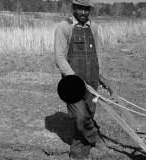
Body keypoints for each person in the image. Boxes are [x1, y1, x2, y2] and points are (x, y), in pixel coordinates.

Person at [54, 0, 113, 159]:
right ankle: (95, 136)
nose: (82, 12)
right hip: (73, 81)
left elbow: (97, 54)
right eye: (79, 8)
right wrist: (74, 78)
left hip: (92, 78)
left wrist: (99, 75)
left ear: (89, 10)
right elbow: (59, 57)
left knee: (88, 113)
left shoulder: (93, 27)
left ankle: (78, 153)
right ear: (73, 8)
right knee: (79, 116)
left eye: (86, 9)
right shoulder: (64, 27)